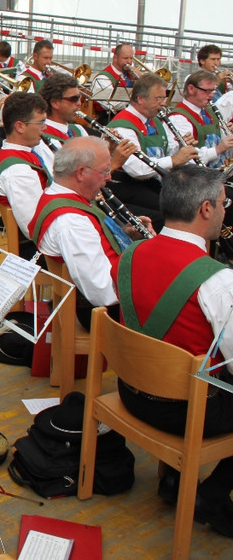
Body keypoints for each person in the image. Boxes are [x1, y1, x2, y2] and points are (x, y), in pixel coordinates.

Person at [113, 164, 233, 536]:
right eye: (223, 203)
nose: (225, 210)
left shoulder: (132, 252)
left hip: (131, 390)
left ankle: (173, 480)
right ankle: (210, 496)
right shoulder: (218, 280)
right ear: (206, 210)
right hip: (187, 411)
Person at [30, 137, 152, 329]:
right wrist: (150, 274)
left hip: (109, 295)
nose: (109, 177)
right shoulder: (71, 222)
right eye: (104, 170)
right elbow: (102, 292)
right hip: (109, 314)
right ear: (81, 173)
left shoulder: (62, 196)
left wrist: (122, 235)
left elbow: (93, 241)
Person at [107, 73, 199, 230]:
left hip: (153, 181)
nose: (163, 104)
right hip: (129, 184)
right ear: (141, 99)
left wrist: (181, 146)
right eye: (158, 99)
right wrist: (175, 160)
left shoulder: (154, 120)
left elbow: (165, 151)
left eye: (164, 98)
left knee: (194, 200)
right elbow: (136, 169)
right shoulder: (123, 126)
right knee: (175, 213)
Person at [0, 92, 52, 244]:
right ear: (20, 126)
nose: (45, 128)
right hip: (40, 251)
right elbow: (35, 228)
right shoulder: (17, 172)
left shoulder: (25, 152)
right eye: (41, 123)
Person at [167, 69, 233, 169]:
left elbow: (225, 147)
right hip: (194, 179)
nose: (211, 95)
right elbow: (185, 157)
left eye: (213, 90)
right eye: (207, 91)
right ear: (191, 89)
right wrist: (218, 149)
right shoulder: (178, 117)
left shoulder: (212, 113)